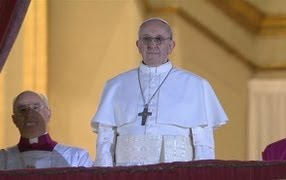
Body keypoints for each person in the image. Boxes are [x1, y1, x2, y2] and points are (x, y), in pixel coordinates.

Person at [91, 17, 228, 167]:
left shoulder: (196, 85)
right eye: (146, 39)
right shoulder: (115, 86)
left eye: (159, 39)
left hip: (177, 174)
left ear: (171, 46)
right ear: (138, 45)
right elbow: (105, 142)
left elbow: (203, 145)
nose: (152, 45)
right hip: (127, 172)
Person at [0, 91, 93, 169]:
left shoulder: (76, 157)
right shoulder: (3, 159)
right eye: (22, 109)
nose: (29, 114)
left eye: (36, 107)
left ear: (48, 114)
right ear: (14, 120)